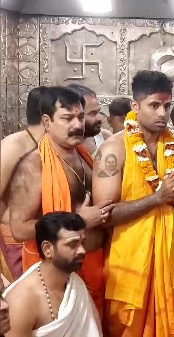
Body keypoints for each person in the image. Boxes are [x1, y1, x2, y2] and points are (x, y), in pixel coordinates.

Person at [93, 70, 174, 337]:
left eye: (167, 106)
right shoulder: (113, 150)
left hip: (170, 257)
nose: (162, 113)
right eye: (154, 105)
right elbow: (104, 214)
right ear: (135, 106)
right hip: (128, 262)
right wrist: (157, 198)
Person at [8, 86, 113, 316]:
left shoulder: (84, 156)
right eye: (67, 118)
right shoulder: (34, 166)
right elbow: (18, 228)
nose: (77, 125)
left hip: (95, 265)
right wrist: (78, 220)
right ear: (47, 121)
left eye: (80, 117)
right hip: (57, 276)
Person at [4, 212, 102, 337]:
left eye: (82, 242)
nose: (82, 250)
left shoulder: (75, 284)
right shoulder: (21, 300)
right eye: (72, 244)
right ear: (47, 249)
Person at [0, 86, 48, 280]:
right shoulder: (14, 145)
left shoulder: (51, 144)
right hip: (15, 241)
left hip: (43, 236)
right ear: (47, 116)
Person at [67, 84, 112, 157]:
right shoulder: (59, 147)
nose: (100, 118)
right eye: (92, 114)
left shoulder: (106, 137)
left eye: (98, 112)